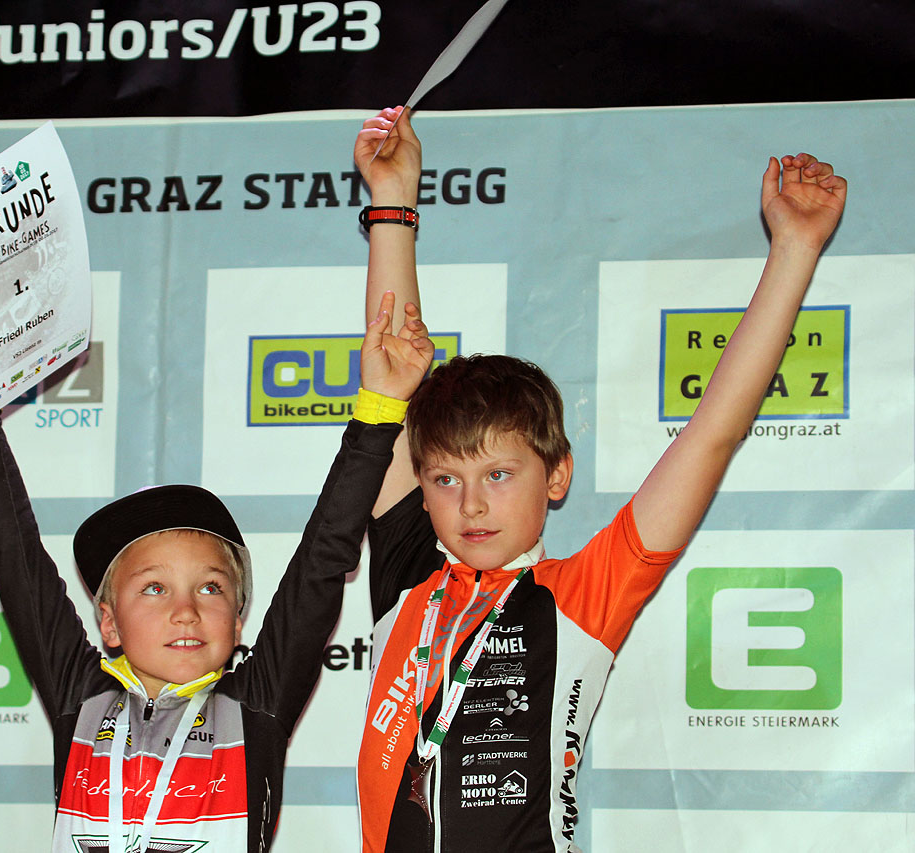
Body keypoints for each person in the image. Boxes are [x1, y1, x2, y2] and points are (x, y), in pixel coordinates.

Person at [351, 107, 847, 851]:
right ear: (420, 487)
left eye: (499, 473)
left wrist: (795, 249)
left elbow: (712, 433)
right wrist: (393, 202)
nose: (472, 503)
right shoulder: (406, 575)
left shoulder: (584, 593)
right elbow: (392, 362)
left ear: (557, 476)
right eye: (446, 480)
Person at [0, 283, 434, 850]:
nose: (186, 611)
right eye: (154, 588)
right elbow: (14, 553)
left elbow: (323, 557)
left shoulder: (255, 705)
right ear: (109, 622)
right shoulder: (82, 699)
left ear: (238, 621)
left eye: (211, 588)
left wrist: (380, 413)